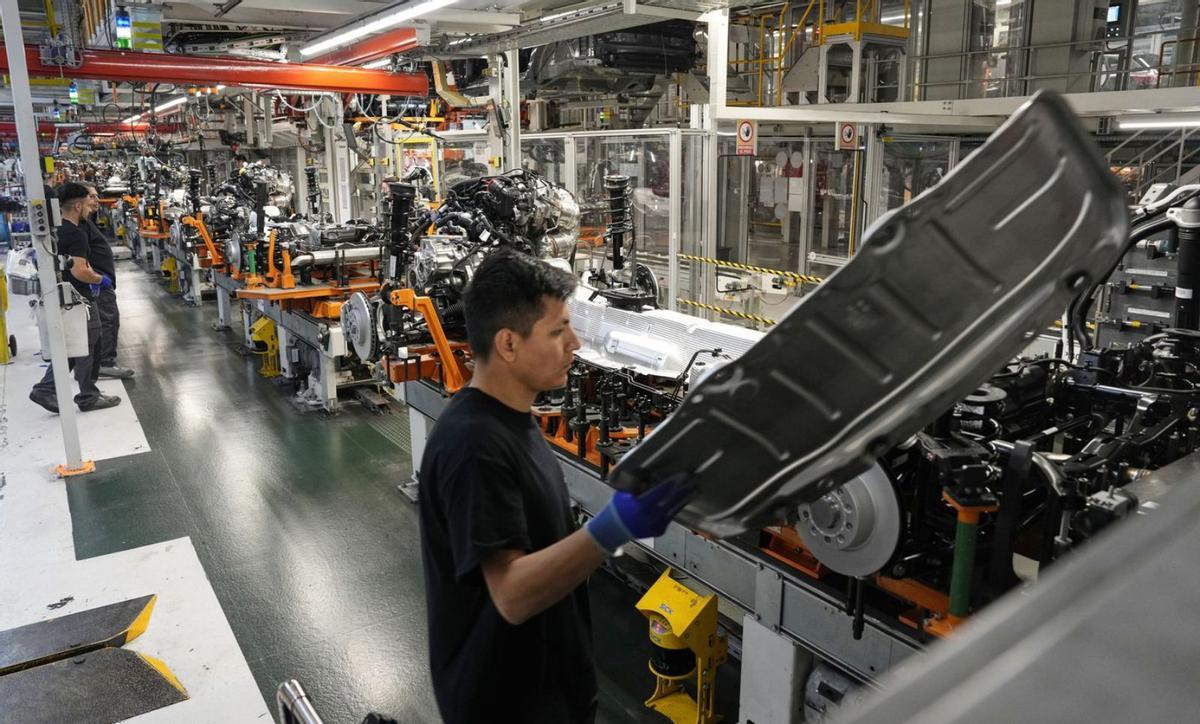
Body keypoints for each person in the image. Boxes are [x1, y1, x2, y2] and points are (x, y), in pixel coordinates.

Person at [417, 248, 694, 723]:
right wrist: (612, 529)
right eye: (558, 331)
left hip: (546, 696)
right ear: (508, 344)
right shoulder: (474, 446)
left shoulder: (512, 420)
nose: (577, 344)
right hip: (506, 709)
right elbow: (512, 594)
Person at [29, 182, 121, 413]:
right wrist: (100, 280)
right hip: (79, 296)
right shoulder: (76, 234)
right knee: (89, 343)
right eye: (89, 202)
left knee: (74, 346)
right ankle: (88, 396)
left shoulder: (58, 231)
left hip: (64, 295)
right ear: (78, 205)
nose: (92, 206)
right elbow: (79, 270)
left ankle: (46, 389)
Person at [81, 182, 134, 379]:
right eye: (92, 197)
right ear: (79, 201)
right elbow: (79, 257)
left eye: (96, 196)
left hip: (103, 281)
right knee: (108, 321)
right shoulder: (80, 226)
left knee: (108, 321)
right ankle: (105, 363)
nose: (97, 200)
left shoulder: (87, 222)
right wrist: (96, 279)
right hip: (98, 285)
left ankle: (102, 362)